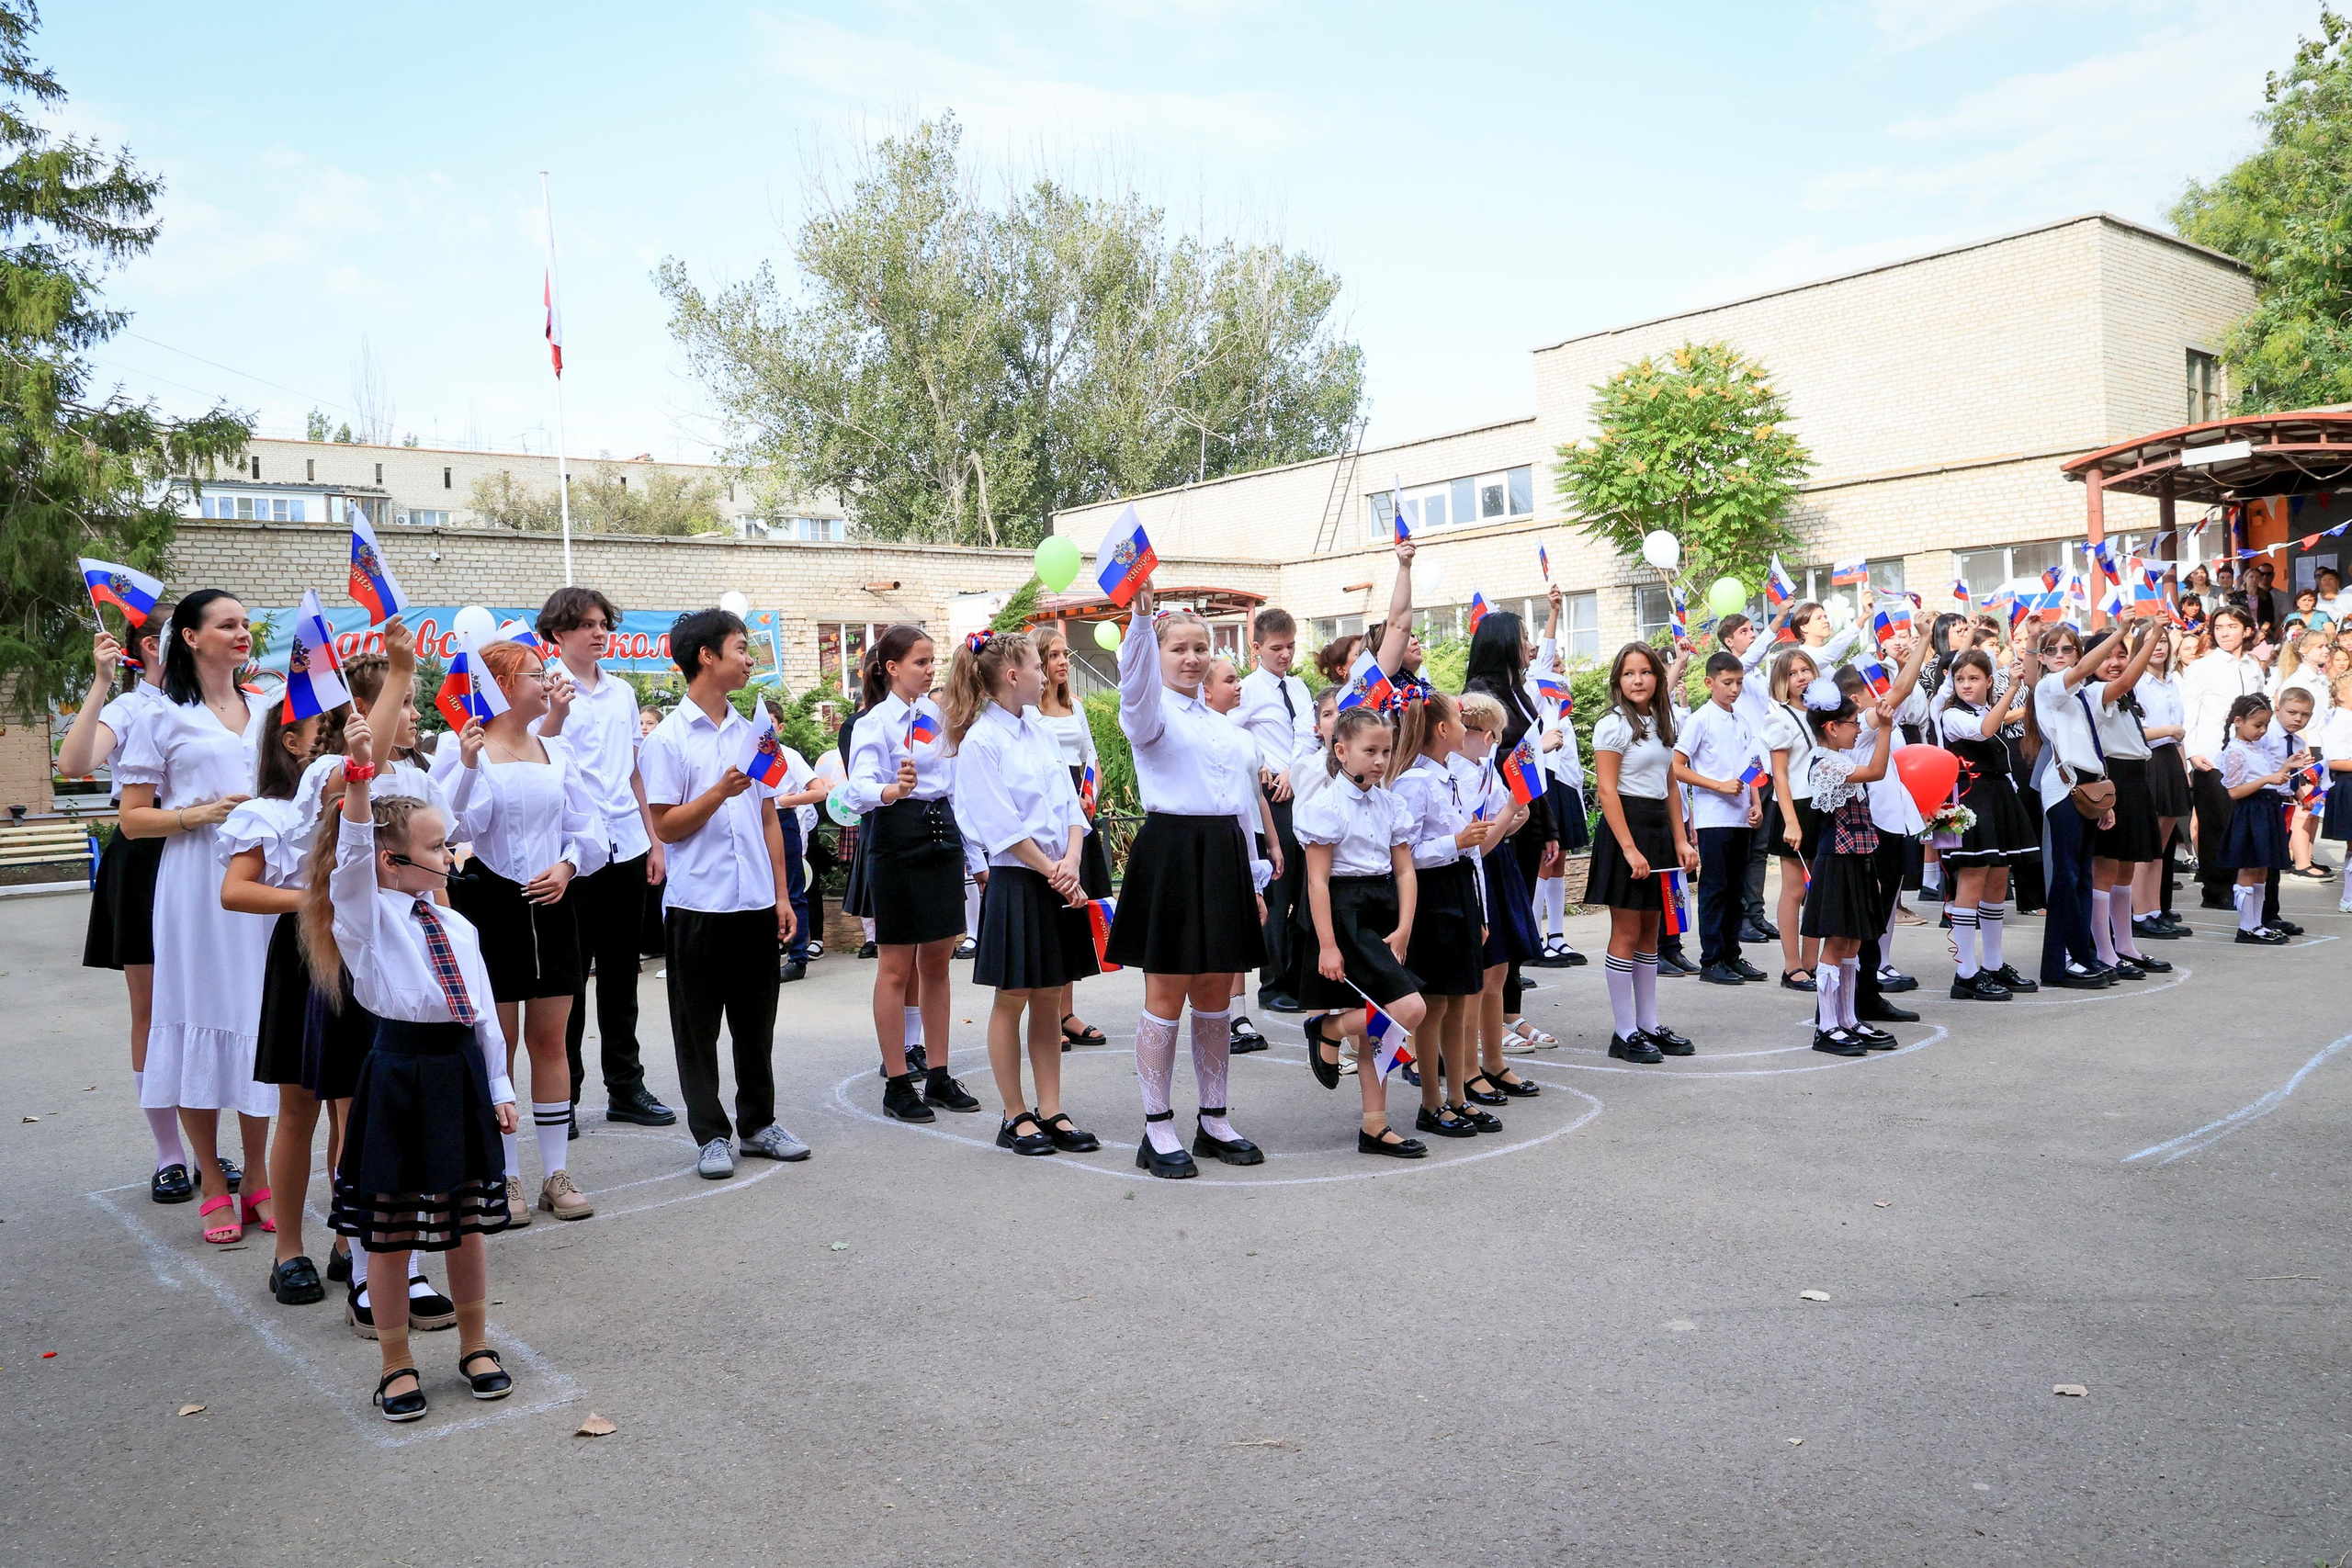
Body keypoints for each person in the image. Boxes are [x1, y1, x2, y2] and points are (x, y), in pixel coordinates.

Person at [310, 710, 517, 1423]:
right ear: (395, 861)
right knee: (391, 1227)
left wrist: (499, 1084)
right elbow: (354, 853)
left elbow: (483, 1013)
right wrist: (361, 776)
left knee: (464, 1221)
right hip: (398, 1068)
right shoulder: (365, 916)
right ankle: (395, 1360)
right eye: (437, 846)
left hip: (457, 1069)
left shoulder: (456, 922)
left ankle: (477, 1342)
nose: (451, 855)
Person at [113, 589, 276, 1244]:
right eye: (227, 624)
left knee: (259, 1022)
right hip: (193, 882)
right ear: (189, 637)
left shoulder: (268, 708)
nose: (242, 633)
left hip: (262, 879)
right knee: (196, 1020)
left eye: (245, 623)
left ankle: (260, 1174)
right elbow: (131, 816)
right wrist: (198, 814)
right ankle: (212, 1176)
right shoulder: (161, 714)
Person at [434, 638, 608, 1222]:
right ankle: (503, 1177)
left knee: (551, 1041)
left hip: (554, 905)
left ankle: (555, 1173)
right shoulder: (470, 751)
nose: (548, 682)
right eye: (536, 674)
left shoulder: (556, 753)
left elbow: (591, 832)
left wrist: (568, 866)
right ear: (502, 685)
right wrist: (463, 765)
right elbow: (453, 827)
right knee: (497, 1045)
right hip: (492, 905)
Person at [1104, 580, 1273, 1179]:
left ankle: (1214, 1119)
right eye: (1179, 648)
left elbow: (1241, 806)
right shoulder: (1149, 715)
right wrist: (1143, 618)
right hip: (1172, 851)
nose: (1192, 657)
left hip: (1223, 852)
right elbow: (1136, 685)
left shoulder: (1223, 725)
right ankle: (1156, 1127)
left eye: (1200, 647)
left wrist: (1254, 877)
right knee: (1166, 993)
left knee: (1214, 992)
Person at [639, 609, 808, 1178]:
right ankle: (711, 1133)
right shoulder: (666, 740)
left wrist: (783, 896)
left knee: (756, 1022)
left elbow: (767, 818)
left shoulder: (754, 730)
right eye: (740, 647)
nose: (749, 658)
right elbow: (665, 826)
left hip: (755, 903)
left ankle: (759, 1123)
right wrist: (717, 791)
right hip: (698, 905)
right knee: (697, 1027)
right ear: (706, 656)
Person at [944, 631, 1102, 1157]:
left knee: (1050, 998)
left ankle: (1051, 1109)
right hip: (1020, 881)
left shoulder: (1036, 729)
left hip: (1060, 874)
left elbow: (1071, 806)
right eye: (1039, 665)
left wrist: (1073, 862)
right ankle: (1015, 1115)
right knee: (1011, 1001)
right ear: (1013, 676)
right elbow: (1002, 827)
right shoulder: (980, 743)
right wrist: (1054, 872)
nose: (1047, 673)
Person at [535, 586, 677, 1134]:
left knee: (621, 973)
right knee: (568, 977)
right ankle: (561, 1093)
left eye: (603, 624)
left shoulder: (620, 693)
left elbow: (635, 771)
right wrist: (552, 710)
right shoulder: (542, 688)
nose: (599, 633)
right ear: (558, 633)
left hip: (626, 844)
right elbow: (534, 763)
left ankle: (625, 1085)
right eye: (587, 624)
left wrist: (655, 840)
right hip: (571, 849)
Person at [59, 615, 187, 1200]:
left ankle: (212, 1148)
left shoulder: (217, 703)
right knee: (154, 1010)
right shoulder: (134, 708)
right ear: (156, 645)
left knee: (213, 1007)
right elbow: (74, 762)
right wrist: (101, 683)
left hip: (209, 853)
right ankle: (169, 1154)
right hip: (145, 853)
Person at [844, 626, 980, 1122]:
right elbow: (855, 786)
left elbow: (958, 785)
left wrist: (976, 859)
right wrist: (890, 790)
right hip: (895, 836)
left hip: (941, 836)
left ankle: (939, 1075)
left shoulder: (939, 716)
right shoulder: (873, 723)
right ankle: (898, 1081)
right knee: (896, 967)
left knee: (939, 963)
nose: (929, 670)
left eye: (931, 661)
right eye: (920, 662)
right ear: (892, 667)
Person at [223, 696, 327, 1301]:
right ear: (293, 741)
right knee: (299, 1111)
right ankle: (288, 1249)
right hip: (301, 955)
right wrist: (309, 902)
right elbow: (235, 890)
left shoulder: (359, 794)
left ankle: (352, 1242)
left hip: (362, 949)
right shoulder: (268, 812)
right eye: (326, 728)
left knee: (353, 1108)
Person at [1295, 707, 1430, 1157]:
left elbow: (1406, 871)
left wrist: (1405, 927)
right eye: (1369, 751)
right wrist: (1329, 945)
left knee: (1376, 1029)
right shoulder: (1325, 807)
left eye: (1386, 751)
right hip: (1345, 915)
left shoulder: (1390, 802)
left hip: (1385, 912)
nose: (1379, 760)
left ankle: (1374, 1126)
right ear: (1341, 751)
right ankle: (1329, 1027)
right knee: (1407, 1010)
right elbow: (1317, 881)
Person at [1388, 688, 1494, 1134]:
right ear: (1443, 729)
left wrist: (1481, 912)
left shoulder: (1449, 775)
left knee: (1457, 1000)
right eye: (1459, 716)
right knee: (1433, 1004)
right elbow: (1406, 854)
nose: (1466, 722)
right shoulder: (1413, 782)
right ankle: (1431, 1102)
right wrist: (1457, 842)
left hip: (1459, 890)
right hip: (1432, 896)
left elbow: (1469, 852)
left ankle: (1456, 1095)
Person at [1587, 641, 1699, 1064]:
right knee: (1628, 931)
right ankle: (1624, 1031)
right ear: (1618, 680)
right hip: (1627, 829)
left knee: (1654, 930)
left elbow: (1670, 785)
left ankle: (1648, 1024)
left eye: (1646, 672)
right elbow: (1606, 790)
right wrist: (1630, 849)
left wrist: (1681, 840)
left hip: (1658, 830)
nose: (1638, 680)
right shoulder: (1612, 725)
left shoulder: (1661, 721)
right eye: (1629, 673)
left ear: (1657, 676)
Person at [1462, 607, 1559, 1040]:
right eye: (1523, 637)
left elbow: (1536, 769)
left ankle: (1511, 1011)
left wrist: (1550, 828)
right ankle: (1496, 1018)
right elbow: (1481, 758)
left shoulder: (1518, 689)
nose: (1530, 645)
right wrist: (1533, 747)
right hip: (1499, 820)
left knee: (1518, 922)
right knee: (1499, 928)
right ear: (1502, 642)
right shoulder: (1479, 693)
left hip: (1527, 816)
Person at [2028, 619, 2132, 988]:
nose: (2059, 656)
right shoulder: (2048, 687)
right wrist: (2120, 633)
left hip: (2087, 786)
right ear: (2041, 658)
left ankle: (2077, 957)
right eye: (2051, 650)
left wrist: (2147, 638)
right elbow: (2086, 668)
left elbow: (2125, 683)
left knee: (2082, 877)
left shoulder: (2083, 695)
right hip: (2063, 789)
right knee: (2067, 876)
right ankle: (2067, 960)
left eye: (2067, 649)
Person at [1797, 680, 1898, 1055]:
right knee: (1837, 940)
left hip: (1855, 858)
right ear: (1831, 727)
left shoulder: (1839, 760)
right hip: (1836, 860)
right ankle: (1826, 1025)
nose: (1859, 728)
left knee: (1853, 939)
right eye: (1853, 722)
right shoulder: (1826, 764)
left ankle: (1847, 1018)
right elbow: (1875, 771)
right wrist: (1885, 728)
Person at [1931, 649, 2039, 999]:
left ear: (1988, 681)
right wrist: (2011, 689)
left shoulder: (1981, 709)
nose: (1966, 684)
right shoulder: (1952, 716)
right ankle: (1965, 972)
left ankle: (1992, 964)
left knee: (1996, 879)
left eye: (1974, 678)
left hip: (1995, 795)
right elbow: (1984, 729)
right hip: (1967, 797)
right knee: (1972, 879)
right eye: (1960, 678)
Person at [1456, 693, 1543, 1096]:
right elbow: (1476, 844)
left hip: (1499, 867)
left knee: (1499, 971)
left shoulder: (1482, 767)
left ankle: (1493, 1059)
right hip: (1477, 871)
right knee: (1477, 977)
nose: (1493, 743)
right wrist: (1510, 811)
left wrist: (1515, 817)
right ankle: (1469, 1067)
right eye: (1492, 735)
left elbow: (1500, 825)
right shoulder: (1457, 772)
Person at [1030, 626, 1112, 1048]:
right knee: (1050, 914)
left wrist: (1087, 797)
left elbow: (1090, 756)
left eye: (1065, 654)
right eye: (1056, 655)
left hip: (1079, 808)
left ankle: (1066, 1013)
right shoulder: (1028, 712)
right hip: (1046, 808)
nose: (1064, 662)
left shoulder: (1074, 707)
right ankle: (1045, 1016)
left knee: (1075, 913)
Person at [1237, 608, 1317, 1018]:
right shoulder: (1248, 690)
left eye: (1290, 647)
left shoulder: (1300, 688)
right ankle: (1273, 983)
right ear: (1257, 649)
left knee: (1306, 889)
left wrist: (1294, 770)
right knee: (1279, 890)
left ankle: (1300, 977)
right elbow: (1233, 733)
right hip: (1273, 798)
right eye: (1276, 648)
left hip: (1302, 789)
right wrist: (1265, 763)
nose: (1285, 655)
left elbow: (1309, 735)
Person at [1671, 650, 1766, 986]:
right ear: (1710, 682)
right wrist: (1718, 785)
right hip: (1714, 818)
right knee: (1715, 889)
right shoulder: (1701, 719)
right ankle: (1711, 960)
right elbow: (1677, 766)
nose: (1735, 689)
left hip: (1741, 817)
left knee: (1737, 889)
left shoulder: (1742, 720)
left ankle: (1732, 955)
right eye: (1727, 682)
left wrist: (1755, 802)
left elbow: (1751, 765)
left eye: (1739, 682)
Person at [2081, 622, 2167, 978]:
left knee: (2127, 866)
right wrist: (2154, 636)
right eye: (2108, 656)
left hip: (2136, 780)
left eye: (2121, 655)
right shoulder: (2094, 693)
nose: (2115, 662)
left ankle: (2125, 945)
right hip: (2111, 779)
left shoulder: (2125, 701)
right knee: (2106, 867)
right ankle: (2104, 950)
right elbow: (2128, 679)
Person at [2181, 606, 2266, 911]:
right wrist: (2192, 751)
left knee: (2243, 823)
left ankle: (2241, 885)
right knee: (2217, 824)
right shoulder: (2202, 667)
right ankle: (2216, 889)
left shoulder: (2253, 666)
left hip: (2248, 758)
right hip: (2212, 755)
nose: (2225, 632)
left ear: (2246, 630)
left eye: (2232, 626)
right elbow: (2188, 712)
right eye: (2219, 627)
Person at [1530, 583, 1589, 969]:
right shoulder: (1533, 687)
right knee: (1542, 858)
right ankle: (1533, 938)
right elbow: (1544, 656)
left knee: (1561, 858)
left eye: (1561, 663)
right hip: (1543, 778)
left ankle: (1557, 936)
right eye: (1553, 662)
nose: (1559, 665)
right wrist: (1553, 611)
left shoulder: (1560, 699)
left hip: (1565, 781)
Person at [2211, 694, 2301, 943]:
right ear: (2238, 721)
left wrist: (2286, 767)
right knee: (2249, 868)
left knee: (2262, 868)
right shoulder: (2235, 751)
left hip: (2266, 809)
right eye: (2257, 725)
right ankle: (2246, 927)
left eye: (2265, 725)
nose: (2262, 731)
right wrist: (2267, 779)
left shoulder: (2254, 747)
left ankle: (2257, 922)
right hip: (2251, 812)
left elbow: (2266, 777)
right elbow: (2235, 791)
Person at [1761, 646, 1825, 990]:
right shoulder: (1780, 718)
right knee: (1795, 889)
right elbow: (1780, 775)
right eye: (1792, 674)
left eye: (1805, 671)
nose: (1801, 678)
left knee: (1819, 888)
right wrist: (1791, 821)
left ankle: (1813, 962)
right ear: (1781, 682)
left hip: (1824, 806)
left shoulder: (1822, 713)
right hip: (1795, 808)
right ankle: (1792, 965)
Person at [2131, 626, 2194, 943]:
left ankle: (2155, 909)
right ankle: (2139, 912)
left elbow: (2179, 732)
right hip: (2149, 758)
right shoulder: (2136, 682)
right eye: (2151, 641)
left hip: (2170, 757)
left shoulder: (2171, 682)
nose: (2159, 647)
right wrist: (2168, 729)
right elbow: (2134, 730)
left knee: (2162, 845)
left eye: (2164, 641)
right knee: (2147, 843)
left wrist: (2183, 772)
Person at [2317, 672, 2352, 912]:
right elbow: (2333, 760)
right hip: (2348, 784)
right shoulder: (2338, 722)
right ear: (2342, 695)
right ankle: (2348, 897)